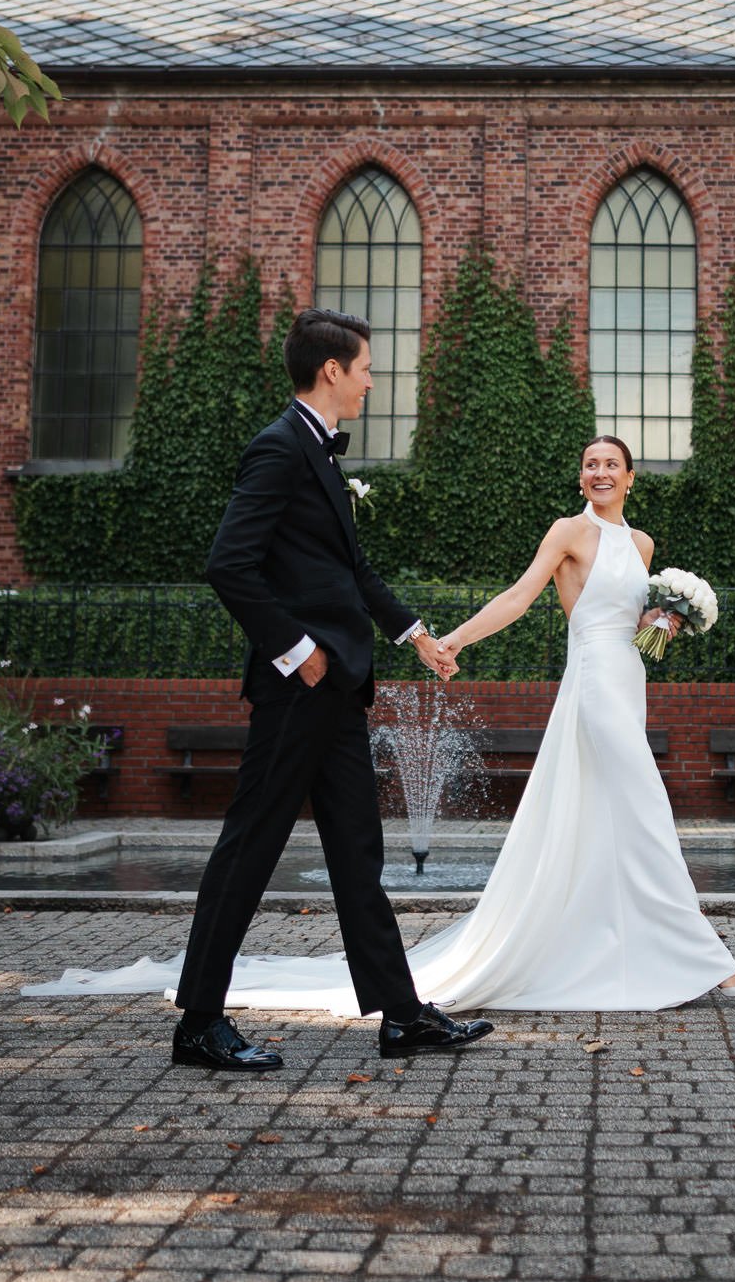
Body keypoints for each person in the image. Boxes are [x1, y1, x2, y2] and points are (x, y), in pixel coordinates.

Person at [26, 434, 735, 1018]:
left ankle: (630, 948)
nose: (600, 472)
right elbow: (518, 598)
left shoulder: (642, 548)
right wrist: (450, 642)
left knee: (616, 818)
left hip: (628, 677)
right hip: (594, 688)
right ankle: (713, 961)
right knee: (644, 809)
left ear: (632, 479)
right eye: (590, 464)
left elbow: (632, 626)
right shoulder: (568, 532)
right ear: (580, 479)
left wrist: (665, 619)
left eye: (612, 464)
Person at [26, 308, 492, 1070]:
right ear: (332, 371)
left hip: (339, 691)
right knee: (248, 852)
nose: (375, 378)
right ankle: (199, 1023)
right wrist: (298, 651)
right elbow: (228, 565)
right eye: (367, 366)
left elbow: (350, 571)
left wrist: (417, 638)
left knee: (358, 855)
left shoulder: (322, 456)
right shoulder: (277, 449)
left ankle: (402, 1016)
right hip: (299, 692)